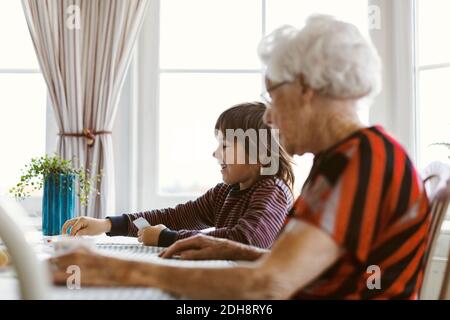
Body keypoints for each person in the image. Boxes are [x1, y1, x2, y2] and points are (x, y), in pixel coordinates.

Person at [51, 15, 430, 299]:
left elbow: (270, 284)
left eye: (273, 95)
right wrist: (230, 249)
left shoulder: (363, 161)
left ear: (306, 88)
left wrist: (121, 271)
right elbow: (293, 267)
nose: (269, 117)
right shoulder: (349, 158)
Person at [61, 102, 294, 249]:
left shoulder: (272, 191)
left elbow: (247, 240)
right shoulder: (226, 192)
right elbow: (178, 216)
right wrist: (107, 224)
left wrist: (167, 238)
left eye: (225, 146)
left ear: (258, 153)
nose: (215, 153)